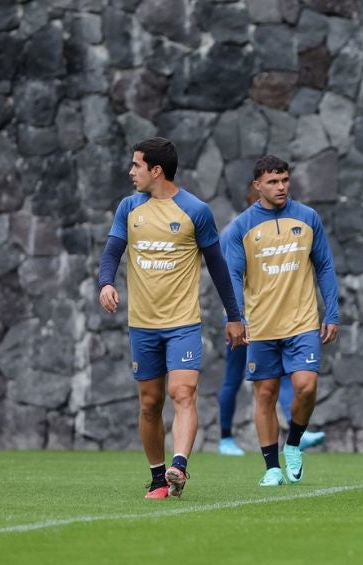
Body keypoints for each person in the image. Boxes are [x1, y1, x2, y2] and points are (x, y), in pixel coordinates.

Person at [97, 137, 244, 499]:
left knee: (183, 393)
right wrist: (105, 284)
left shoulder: (195, 211)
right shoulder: (129, 208)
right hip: (142, 326)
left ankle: (179, 465)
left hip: (183, 324)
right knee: (149, 404)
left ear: (156, 170)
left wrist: (234, 316)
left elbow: (218, 268)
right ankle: (159, 478)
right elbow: (111, 253)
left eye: (137, 165)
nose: (131, 172)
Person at [224, 155, 339, 486]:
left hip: (302, 321)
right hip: (261, 325)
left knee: (306, 386)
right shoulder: (242, 227)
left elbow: (325, 267)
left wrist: (331, 311)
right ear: (257, 185)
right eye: (273, 182)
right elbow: (232, 274)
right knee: (266, 394)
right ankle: (272, 468)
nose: (281, 187)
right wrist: (235, 318)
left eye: (285, 180)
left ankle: (293, 444)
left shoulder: (308, 218)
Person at [217, 183, 325, 456]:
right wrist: (236, 316)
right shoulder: (237, 230)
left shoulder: (290, 224)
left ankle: (295, 428)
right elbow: (227, 276)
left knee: (287, 378)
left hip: (276, 319)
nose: (281, 195)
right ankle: (225, 437)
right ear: (255, 196)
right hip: (242, 319)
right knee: (234, 378)